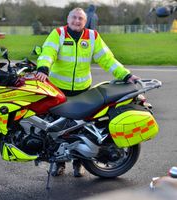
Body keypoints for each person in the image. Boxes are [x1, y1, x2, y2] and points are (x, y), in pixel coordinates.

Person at [36, 7, 139, 177]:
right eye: (74, 18)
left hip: (83, 90)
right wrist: (43, 68)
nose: (77, 21)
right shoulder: (58, 34)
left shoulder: (92, 36)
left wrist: (126, 75)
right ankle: (58, 163)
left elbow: (107, 60)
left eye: (80, 19)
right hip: (59, 89)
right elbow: (48, 52)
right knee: (58, 129)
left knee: (81, 129)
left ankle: (79, 164)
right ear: (68, 19)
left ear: (85, 22)